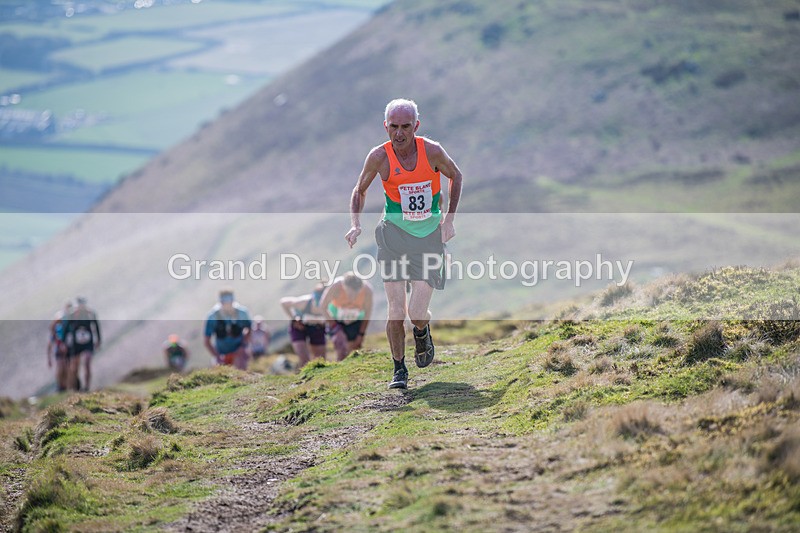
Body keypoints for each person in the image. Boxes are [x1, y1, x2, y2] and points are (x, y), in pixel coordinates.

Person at [345, 98, 462, 389]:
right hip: (394, 236)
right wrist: (355, 223)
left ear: (416, 126)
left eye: (406, 127)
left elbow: (456, 175)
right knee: (396, 310)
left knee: (416, 314)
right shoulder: (379, 157)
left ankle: (422, 331)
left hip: (429, 238)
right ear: (385, 126)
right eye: (394, 127)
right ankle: (399, 369)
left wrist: (448, 220)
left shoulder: (432, 151)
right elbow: (359, 190)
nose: (399, 133)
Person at [319, 272, 373, 361]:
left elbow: (367, 314)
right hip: (335, 320)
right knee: (341, 346)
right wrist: (335, 327)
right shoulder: (336, 286)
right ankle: (339, 365)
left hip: (355, 321)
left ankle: (352, 367)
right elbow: (323, 306)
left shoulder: (367, 291)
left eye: (356, 294)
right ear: (344, 287)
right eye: (350, 294)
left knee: (354, 350)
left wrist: (361, 334)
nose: (353, 297)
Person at [280, 282, 328, 367]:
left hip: (318, 328)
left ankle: (318, 374)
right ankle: (304, 373)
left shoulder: (331, 306)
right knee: (303, 357)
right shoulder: (304, 302)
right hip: (299, 327)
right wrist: (294, 318)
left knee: (320, 359)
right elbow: (284, 302)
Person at [203, 289, 252, 370]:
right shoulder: (212, 316)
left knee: (241, 370)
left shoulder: (242, 313)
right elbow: (207, 341)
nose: (227, 304)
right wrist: (217, 356)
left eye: (229, 301)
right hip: (221, 353)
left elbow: (250, 328)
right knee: (221, 372)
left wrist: (243, 346)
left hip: (239, 352)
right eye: (225, 302)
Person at [63, 296, 101, 392]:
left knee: (87, 363)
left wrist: (98, 340)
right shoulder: (72, 314)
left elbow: (96, 326)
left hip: (88, 342)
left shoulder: (90, 314)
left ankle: (87, 387)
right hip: (76, 343)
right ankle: (75, 387)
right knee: (75, 366)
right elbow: (65, 329)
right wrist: (64, 343)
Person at [47, 301, 73, 392]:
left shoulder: (72, 319)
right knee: (61, 367)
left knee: (67, 368)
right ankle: (61, 386)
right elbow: (52, 331)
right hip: (60, 347)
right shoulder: (60, 317)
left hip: (68, 348)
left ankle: (66, 386)